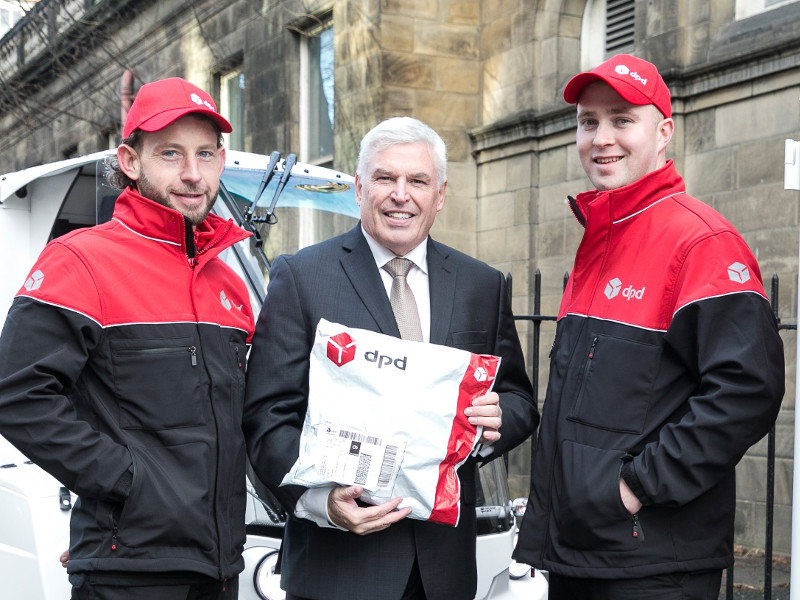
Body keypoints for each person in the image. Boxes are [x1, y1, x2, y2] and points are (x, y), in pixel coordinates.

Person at [513, 54, 785, 599]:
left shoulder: (702, 241)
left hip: (651, 559)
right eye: (588, 122)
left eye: (621, 119)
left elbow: (747, 390)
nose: (601, 137)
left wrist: (636, 487)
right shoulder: (602, 237)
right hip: (582, 548)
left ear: (662, 132)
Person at [243, 116, 539, 600]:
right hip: (336, 569)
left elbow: (519, 398)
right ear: (360, 187)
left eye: (417, 181)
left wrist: (499, 418)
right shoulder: (302, 277)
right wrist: (321, 501)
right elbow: (266, 415)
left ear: (439, 195)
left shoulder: (481, 285)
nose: (401, 194)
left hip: (445, 569)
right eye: (385, 178)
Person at [0, 77, 254, 599]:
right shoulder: (81, 260)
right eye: (171, 154)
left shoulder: (230, 285)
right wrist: (126, 483)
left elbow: (251, 415)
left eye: (205, 154)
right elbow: (16, 394)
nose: (191, 173)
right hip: (127, 573)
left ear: (221, 161)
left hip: (223, 568)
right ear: (131, 162)